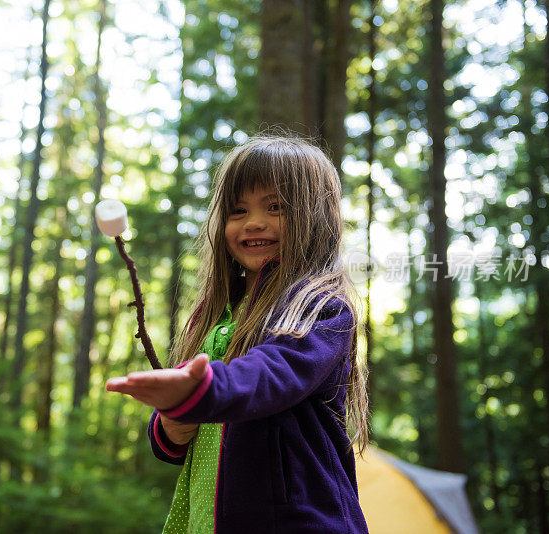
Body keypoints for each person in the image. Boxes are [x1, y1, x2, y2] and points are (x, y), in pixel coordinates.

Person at [105, 135, 370, 533]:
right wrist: (172, 424)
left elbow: (273, 372)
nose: (253, 222)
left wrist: (202, 391)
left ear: (315, 217)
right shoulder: (219, 317)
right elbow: (191, 434)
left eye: (276, 206)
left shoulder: (318, 306)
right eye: (238, 210)